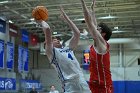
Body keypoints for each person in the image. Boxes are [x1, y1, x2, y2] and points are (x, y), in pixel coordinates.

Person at [35, 7, 91, 93]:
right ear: (48, 45)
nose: (57, 40)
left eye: (57, 39)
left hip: (82, 81)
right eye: (54, 40)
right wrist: (40, 20)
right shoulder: (51, 53)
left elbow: (77, 33)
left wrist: (66, 18)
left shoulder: (68, 48)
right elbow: (47, 29)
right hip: (70, 85)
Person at [80, 0, 114, 93]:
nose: (96, 29)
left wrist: (82, 3)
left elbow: (90, 23)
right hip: (94, 83)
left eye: (98, 29)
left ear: (103, 34)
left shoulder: (102, 46)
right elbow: (94, 24)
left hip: (104, 85)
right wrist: (92, 10)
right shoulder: (97, 42)